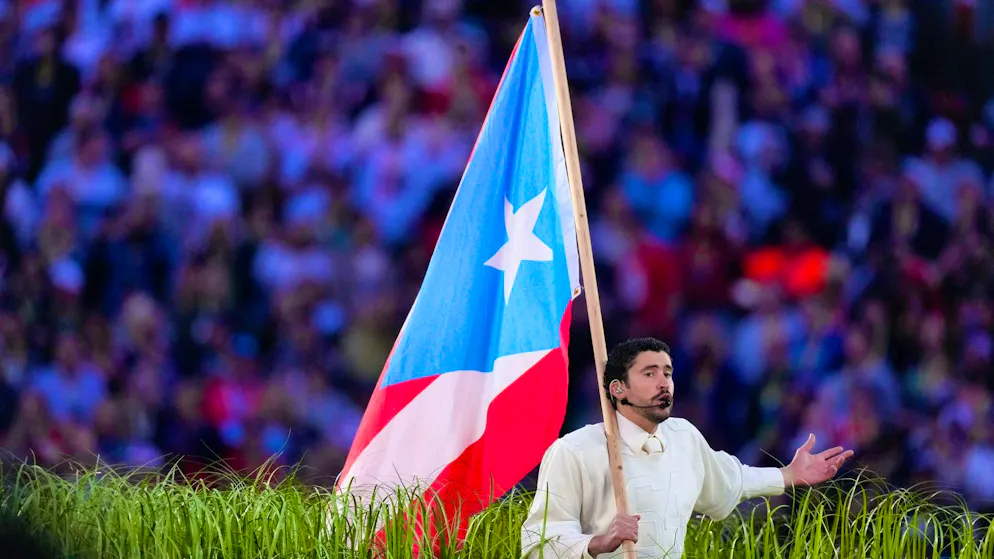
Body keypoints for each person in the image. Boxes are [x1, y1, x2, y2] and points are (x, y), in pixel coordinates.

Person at [520, 337, 854, 558]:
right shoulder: (574, 450)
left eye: (667, 372)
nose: (663, 382)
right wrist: (597, 543)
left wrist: (787, 475)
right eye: (649, 373)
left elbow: (730, 479)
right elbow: (537, 542)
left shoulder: (684, 437)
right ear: (618, 389)